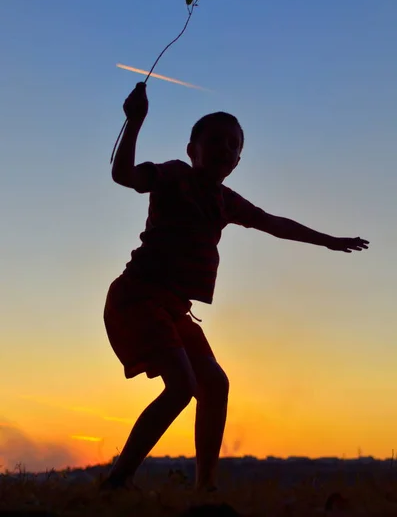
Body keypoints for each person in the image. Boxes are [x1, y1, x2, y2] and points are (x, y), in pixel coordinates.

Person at [100, 82, 369, 493]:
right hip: (137, 298)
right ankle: (118, 479)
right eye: (216, 141)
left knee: (214, 384)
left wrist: (330, 241)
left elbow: (274, 223)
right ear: (192, 149)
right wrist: (134, 121)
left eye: (233, 145)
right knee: (182, 387)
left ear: (238, 161)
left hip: (172, 309)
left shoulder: (225, 201)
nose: (225, 150)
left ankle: (205, 486)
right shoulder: (174, 175)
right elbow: (124, 175)